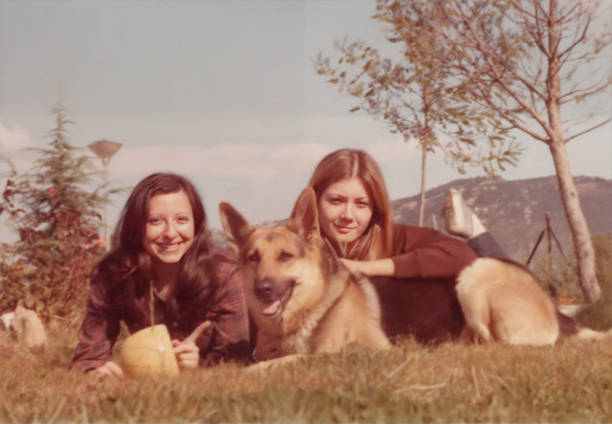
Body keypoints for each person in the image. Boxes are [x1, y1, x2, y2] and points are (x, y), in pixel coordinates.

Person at [71, 173, 250, 377]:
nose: (170, 233)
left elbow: (237, 361)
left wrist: (197, 365)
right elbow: (87, 358)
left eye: (181, 220)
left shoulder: (224, 273)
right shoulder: (114, 274)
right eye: (155, 221)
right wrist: (96, 371)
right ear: (136, 226)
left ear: (196, 224)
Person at [307, 149, 479, 342]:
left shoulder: (394, 236)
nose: (348, 215)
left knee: (495, 264)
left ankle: (479, 234)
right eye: (336, 201)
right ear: (314, 200)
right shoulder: (295, 249)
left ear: (375, 209)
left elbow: (461, 256)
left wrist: (363, 267)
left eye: (361, 204)